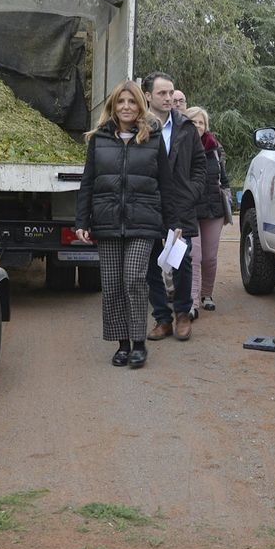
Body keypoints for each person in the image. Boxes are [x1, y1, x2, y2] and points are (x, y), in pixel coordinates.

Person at [73, 79, 174, 369]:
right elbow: (88, 183)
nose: (126, 107)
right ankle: (122, 344)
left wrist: (173, 224)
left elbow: (166, 184)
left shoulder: (153, 139)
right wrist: (82, 220)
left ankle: (139, 343)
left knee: (133, 278)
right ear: (113, 106)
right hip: (106, 221)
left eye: (131, 102)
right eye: (121, 102)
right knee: (113, 283)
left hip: (144, 221)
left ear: (140, 106)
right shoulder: (99, 139)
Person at [141, 72, 204, 341]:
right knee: (151, 264)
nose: (168, 98)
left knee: (182, 261)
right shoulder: (139, 127)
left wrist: (191, 193)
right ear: (148, 96)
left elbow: (200, 165)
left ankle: (181, 315)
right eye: (162, 94)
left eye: (171, 93)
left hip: (180, 206)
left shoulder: (186, 127)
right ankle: (162, 319)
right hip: (148, 206)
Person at [184, 106, 231, 315]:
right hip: (189, 208)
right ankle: (192, 303)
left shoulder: (214, 148)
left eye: (200, 122)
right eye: (193, 122)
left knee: (210, 256)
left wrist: (228, 198)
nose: (197, 126)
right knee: (194, 255)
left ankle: (206, 294)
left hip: (213, 208)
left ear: (206, 126)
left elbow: (224, 177)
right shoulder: (179, 147)